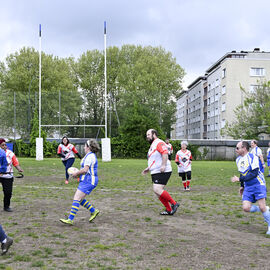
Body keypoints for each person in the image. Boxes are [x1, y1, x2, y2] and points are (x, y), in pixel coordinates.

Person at [231, 141, 270, 235]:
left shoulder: (253, 157)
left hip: (258, 184)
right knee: (246, 208)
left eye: (237, 148)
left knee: (261, 206)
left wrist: (239, 179)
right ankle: (265, 209)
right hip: (248, 186)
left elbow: (254, 173)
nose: (236, 150)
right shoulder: (238, 160)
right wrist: (242, 186)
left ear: (244, 148)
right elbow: (242, 172)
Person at [60, 139, 100, 225]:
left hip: (89, 180)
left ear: (88, 147)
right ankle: (94, 211)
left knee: (76, 198)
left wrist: (76, 173)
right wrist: (77, 175)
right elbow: (85, 170)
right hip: (86, 179)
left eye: (85, 146)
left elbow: (85, 170)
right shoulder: (89, 155)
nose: (84, 147)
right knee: (80, 199)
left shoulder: (90, 156)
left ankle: (70, 219)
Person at [142, 129, 179, 215]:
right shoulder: (153, 145)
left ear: (154, 134)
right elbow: (154, 159)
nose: (147, 137)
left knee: (157, 189)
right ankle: (169, 209)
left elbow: (165, 153)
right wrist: (148, 168)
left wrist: (163, 165)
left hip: (162, 170)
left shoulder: (158, 142)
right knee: (157, 191)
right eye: (146, 135)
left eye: (148, 134)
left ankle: (174, 203)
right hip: (156, 171)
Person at [0, 138, 23, 212]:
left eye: (5, 145)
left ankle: (6, 206)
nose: (4, 146)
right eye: (2, 145)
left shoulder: (10, 153)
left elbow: (15, 163)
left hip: (7, 176)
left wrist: (19, 169)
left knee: (8, 192)